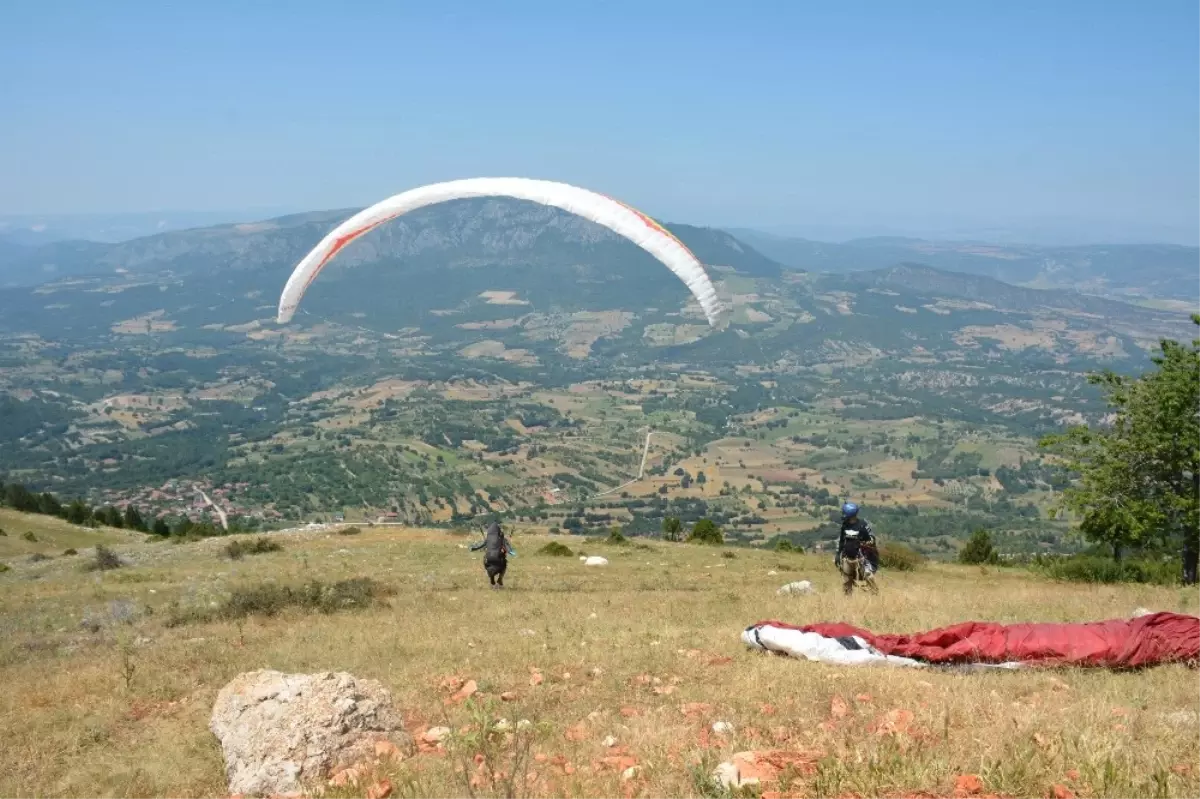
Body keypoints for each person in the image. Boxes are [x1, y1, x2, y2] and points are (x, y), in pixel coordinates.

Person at [834, 502, 877, 595]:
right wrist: (838, 554)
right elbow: (842, 541)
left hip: (861, 558)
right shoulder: (845, 525)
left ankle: (875, 595)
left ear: (850, 515)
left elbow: (872, 539)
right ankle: (848, 600)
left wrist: (861, 543)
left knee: (868, 576)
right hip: (847, 557)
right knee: (846, 580)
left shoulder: (863, 525)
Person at [470, 521, 515, 588]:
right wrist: (512, 552)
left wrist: (473, 549)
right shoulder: (502, 538)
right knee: (504, 564)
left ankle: (492, 579)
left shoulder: (488, 538)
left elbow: (480, 546)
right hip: (498, 558)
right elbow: (508, 548)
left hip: (488, 559)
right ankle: (500, 579)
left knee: (485, 560)